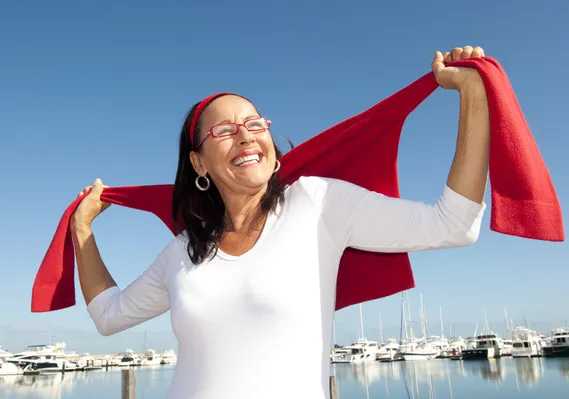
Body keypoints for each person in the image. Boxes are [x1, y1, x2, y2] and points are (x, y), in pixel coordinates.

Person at [70, 46, 490, 398]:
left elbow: (454, 224)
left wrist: (471, 95)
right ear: (198, 162)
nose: (246, 135)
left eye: (255, 123)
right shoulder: (183, 250)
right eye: (224, 130)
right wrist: (82, 230)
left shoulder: (316, 203)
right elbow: (110, 316)